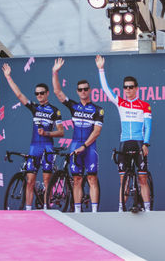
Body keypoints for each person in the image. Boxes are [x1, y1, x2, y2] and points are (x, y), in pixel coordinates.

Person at [2, 63, 64, 211]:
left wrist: (47, 133)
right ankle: (29, 210)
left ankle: (46, 209)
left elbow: (61, 132)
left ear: (47, 93)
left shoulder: (55, 111)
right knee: (30, 181)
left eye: (42, 93)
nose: (39, 96)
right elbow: (19, 95)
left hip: (47, 147)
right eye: (37, 94)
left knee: (47, 181)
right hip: (34, 147)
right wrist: (8, 77)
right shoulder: (34, 108)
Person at [95, 54, 152, 212]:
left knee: (142, 178)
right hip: (124, 144)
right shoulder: (120, 102)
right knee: (123, 181)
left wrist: (146, 144)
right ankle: (121, 209)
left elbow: (148, 126)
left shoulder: (144, 105)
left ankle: (148, 210)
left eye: (131, 87)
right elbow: (106, 90)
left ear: (136, 88)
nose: (128, 89)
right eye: (125, 87)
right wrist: (101, 69)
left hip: (139, 143)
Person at [52, 58, 103, 213]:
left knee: (92, 178)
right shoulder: (74, 106)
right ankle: (77, 212)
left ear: (90, 90)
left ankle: (94, 213)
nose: (83, 92)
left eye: (85, 89)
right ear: (77, 92)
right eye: (80, 90)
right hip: (75, 145)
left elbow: (97, 131)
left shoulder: (97, 109)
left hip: (89, 147)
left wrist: (84, 146)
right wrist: (55, 72)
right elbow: (58, 92)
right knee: (77, 180)